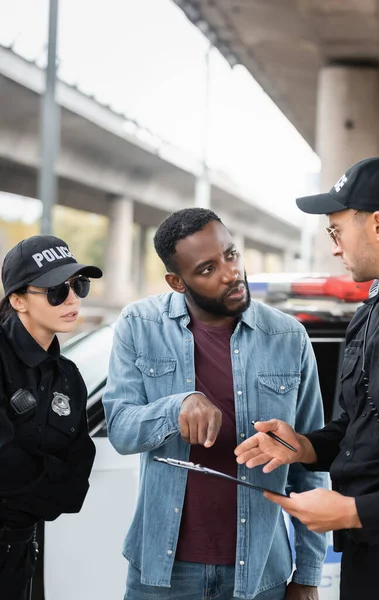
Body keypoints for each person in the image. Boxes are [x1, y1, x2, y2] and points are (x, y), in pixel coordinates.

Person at [103, 207, 327, 600]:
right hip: (161, 573)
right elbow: (120, 427)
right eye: (206, 269)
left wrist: (308, 575)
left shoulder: (289, 338)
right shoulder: (138, 325)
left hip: (260, 574)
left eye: (231, 254)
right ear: (177, 281)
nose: (229, 272)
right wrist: (176, 407)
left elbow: (311, 465)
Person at [235, 155, 379, 600]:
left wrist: (353, 511)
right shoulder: (370, 316)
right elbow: (360, 426)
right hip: (370, 557)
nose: (334, 247)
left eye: (336, 230)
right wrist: (304, 447)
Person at [0, 234, 102, 600]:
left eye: (79, 285)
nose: (72, 298)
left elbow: (76, 484)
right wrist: (49, 479)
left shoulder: (69, 377)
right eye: (56, 291)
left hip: (20, 554)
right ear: (17, 300)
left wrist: (26, 487)